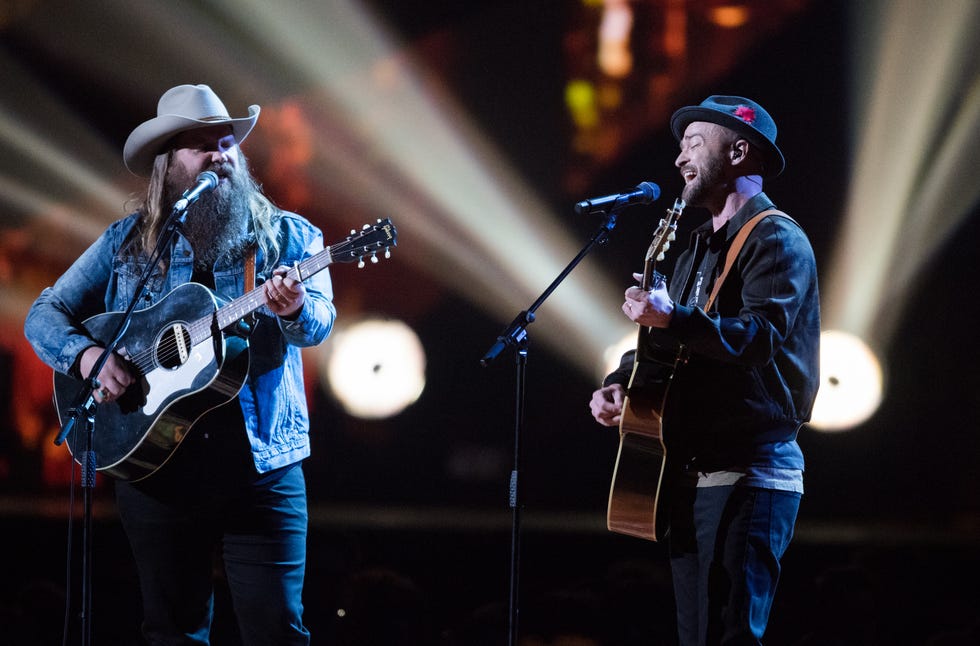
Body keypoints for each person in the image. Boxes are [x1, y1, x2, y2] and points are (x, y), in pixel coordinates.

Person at [24, 83, 336, 645]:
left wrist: (293, 307)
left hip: (261, 467)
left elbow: (319, 323)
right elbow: (45, 313)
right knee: (172, 632)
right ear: (169, 166)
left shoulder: (290, 237)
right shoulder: (127, 245)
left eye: (226, 142)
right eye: (200, 145)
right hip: (155, 466)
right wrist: (91, 357)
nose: (220, 154)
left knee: (277, 632)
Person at [589, 95, 820, 645]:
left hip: (751, 473)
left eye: (693, 144)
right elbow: (672, 340)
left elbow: (760, 338)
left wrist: (674, 316)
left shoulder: (776, 238)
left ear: (739, 152)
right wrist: (619, 383)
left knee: (730, 636)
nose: (678, 159)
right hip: (689, 473)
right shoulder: (696, 245)